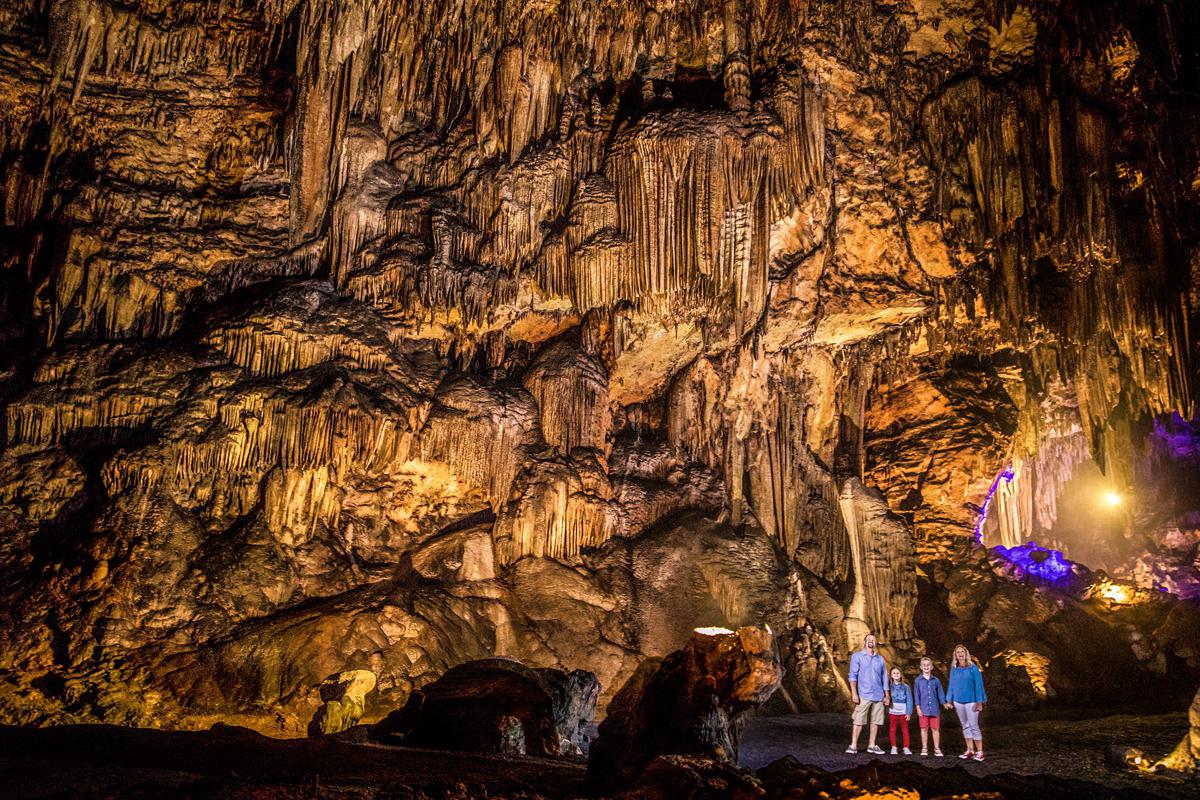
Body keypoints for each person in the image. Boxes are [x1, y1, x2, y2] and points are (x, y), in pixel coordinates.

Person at [846, 633, 889, 754]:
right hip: (864, 694)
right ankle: (853, 745)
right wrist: (854, 694)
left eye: (873, 640)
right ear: (864, 643)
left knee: (876, 720)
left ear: (875, 643)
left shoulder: (880, 659)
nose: (871, 641)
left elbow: (884, 677)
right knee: (859, 719)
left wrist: (887, 695)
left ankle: (872, 745)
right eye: (869, 639)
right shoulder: (857, 656)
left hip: (878, 694)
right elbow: (852, 676)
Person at [944, 643, 987, 761]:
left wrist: (979, 702)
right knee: (965, 726)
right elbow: (951, 684)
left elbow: (979, 685)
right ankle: (970, 750)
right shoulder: (954, 669)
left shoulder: (973, 668)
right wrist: (949, 700)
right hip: (958, 701)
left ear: (966, 653)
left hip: (971, 701)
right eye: (958, 652)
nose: (960, 654)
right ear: (955, 655)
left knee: (973, 726)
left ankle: (980, 752)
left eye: (962, 652)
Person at [913, 655, 946, 757]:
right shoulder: (918, 681)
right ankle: (924, 748)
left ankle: (937, 748)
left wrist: (944, 703)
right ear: (921, 667)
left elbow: (940, 693)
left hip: (934, 709)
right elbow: (916, 695)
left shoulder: (936, 680)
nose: (926, 667)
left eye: (928, 665)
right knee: (924, 729)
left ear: (932, 667)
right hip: (923, 709)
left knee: (935, 729)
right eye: (924, 665)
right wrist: (918, 708)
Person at [887, 666, 912, 755]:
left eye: (898, 673)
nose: (896, 675)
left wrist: (908, 712)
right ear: (891, 675)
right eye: (894, 673)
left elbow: (909, 700)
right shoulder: (888, 687)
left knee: (905, 730)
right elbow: (886, 698)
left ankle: (906, 747)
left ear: (900, 674)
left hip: (903, 712)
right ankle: (894, 747)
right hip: (893, 712)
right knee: (892, 729)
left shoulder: (906, 687)